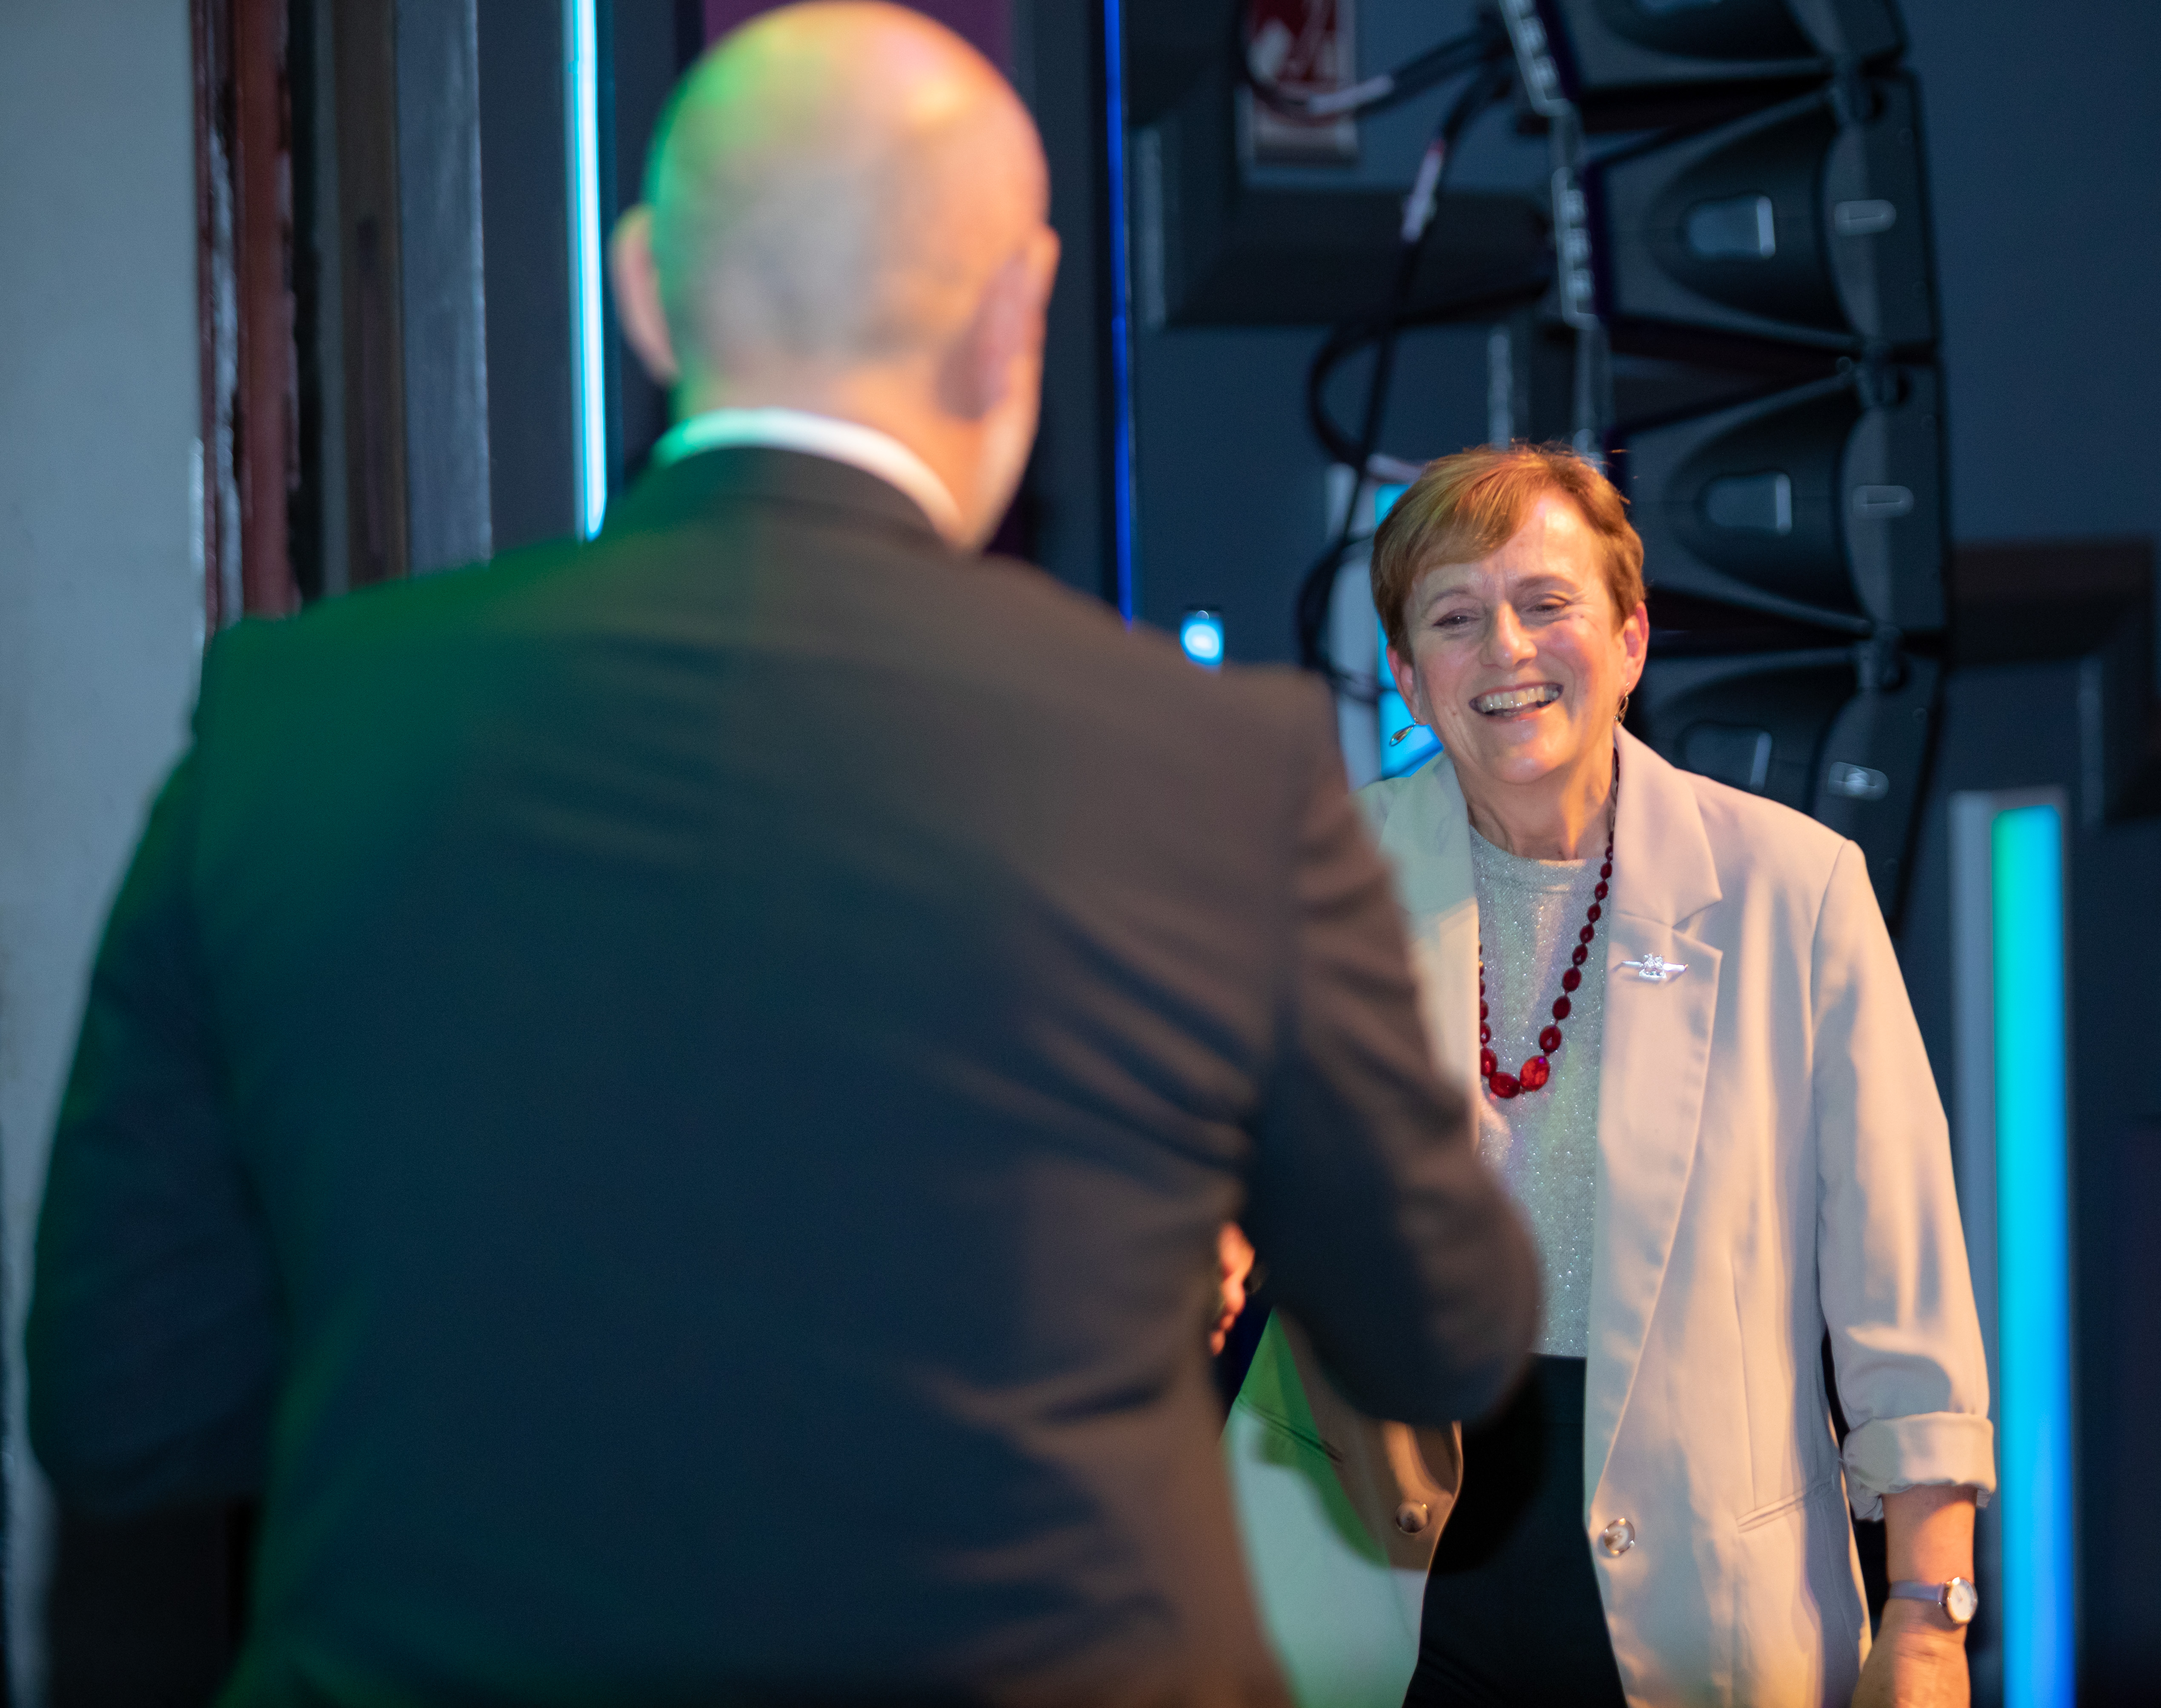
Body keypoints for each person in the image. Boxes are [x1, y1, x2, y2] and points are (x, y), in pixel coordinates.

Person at [26, 7, 1538, 1702]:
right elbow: (1447, 1332)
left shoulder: (289, 726)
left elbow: (126, 1402)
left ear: (644, 292)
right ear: (1016, 313)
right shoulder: (1213, 770)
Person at [1223, 446, 1993, 1708]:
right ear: (1407, 676)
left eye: (1547, 603)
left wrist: (1927, 1610)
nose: (1506, 649)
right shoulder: (1318, 879)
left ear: (1630, 641)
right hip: (1365, 1581)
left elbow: (1898, 1281)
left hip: (1704, 1587)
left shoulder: (1793, 891)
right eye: (1454, 619)